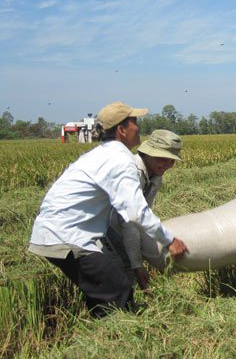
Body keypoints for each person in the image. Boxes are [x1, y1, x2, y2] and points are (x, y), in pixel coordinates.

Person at [28, 102, 188, 317]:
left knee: (110, 289)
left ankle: (106, 332)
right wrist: (169, 240)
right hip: (67, 235)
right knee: (117, 291)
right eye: (134, 123)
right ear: (122, 130)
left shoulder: (108, 155)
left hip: (67, 232)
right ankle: (113, 337)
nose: (139, 127)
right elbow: (134, 214)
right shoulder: (120, 161)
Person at [106, 129, 183, 292]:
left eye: (171, 161)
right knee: (119, 273)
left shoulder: (155, 177)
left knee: (127, 271)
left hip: (121, 230)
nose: (168, 165)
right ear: (147, 154)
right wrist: (138, 265)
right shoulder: (131, 172)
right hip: (104, 230)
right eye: (162, 159)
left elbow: (144, 215)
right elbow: (131, 220)